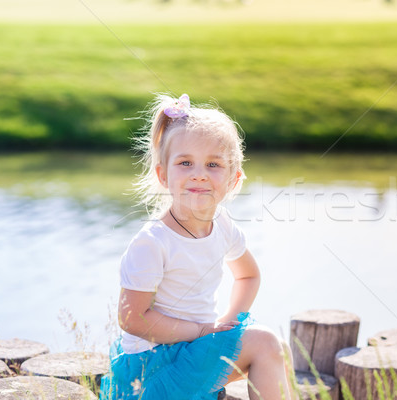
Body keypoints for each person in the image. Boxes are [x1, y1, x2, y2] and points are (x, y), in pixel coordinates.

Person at [100, 94, 295, 400]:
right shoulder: (153, 242)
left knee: (277, 347)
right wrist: (202, 331)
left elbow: (248, 277)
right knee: (265, 342)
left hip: (191, 353)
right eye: (185, 162)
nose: (199, 173)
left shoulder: (223, 225)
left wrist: (225, 325)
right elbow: (132, 319)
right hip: (153, 371)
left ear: (233, 179)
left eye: (213, 164)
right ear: (163, 174)